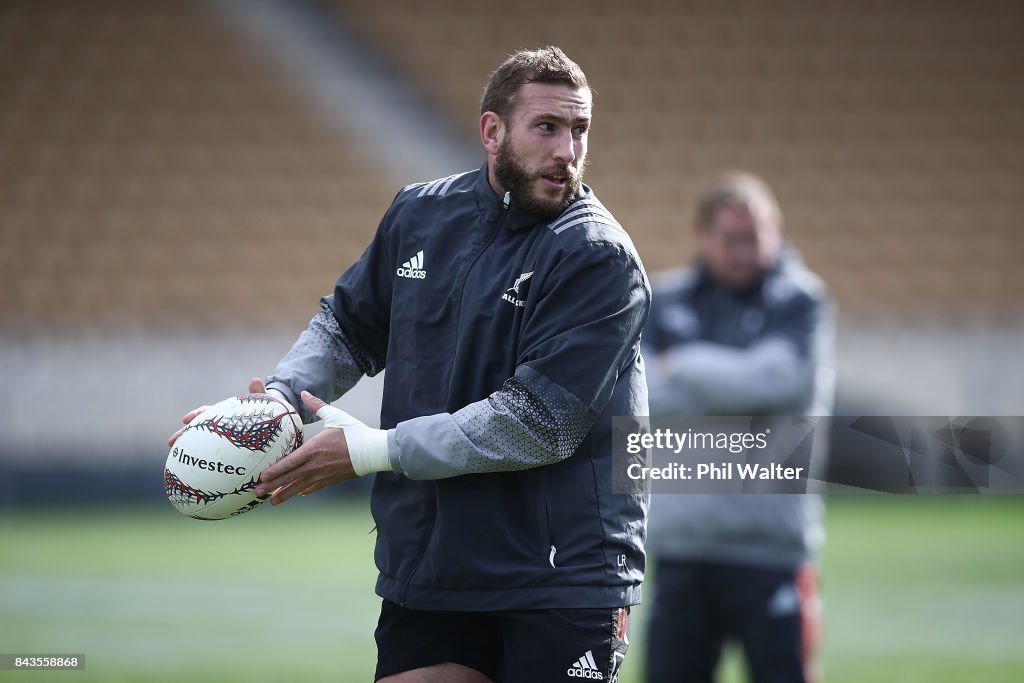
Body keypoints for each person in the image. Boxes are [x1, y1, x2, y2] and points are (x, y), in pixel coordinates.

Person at [169, 47, 650, 683]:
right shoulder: (420, 214)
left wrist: (373, 450)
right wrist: (276, 404)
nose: (568, 150)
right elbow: (347, 326)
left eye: (579, 130)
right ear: (492, 131)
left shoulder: (596, 257)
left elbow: (539, 422)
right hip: (432, 565)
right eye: (547, 127)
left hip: (560, 576)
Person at [641, 173, 834, 683]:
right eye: (733, 240)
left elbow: (779, 383)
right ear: (702, 236)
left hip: (770, 547)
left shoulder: (801, 300)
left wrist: (680, 366)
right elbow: (636, 393)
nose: (746, 252)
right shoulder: (662, 298)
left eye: (758, 238)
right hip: (680, 545)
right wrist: (735, 382)